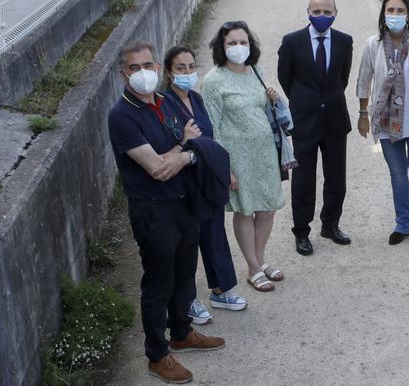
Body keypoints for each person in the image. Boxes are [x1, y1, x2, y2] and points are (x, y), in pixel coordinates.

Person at [108, 41, 224, 384]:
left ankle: (182, 333)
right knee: (158, 282)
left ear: (158, 67)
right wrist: (184, 150)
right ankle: (157, 355)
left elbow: (196, 146)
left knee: (185, 273)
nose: (143, 73)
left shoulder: (165, 103)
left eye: (148, 65)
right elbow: (157, 169)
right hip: (153, 210)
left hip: (184, 202)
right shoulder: (122, 116)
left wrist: (184, 153)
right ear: (123, 74)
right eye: (134, 67)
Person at [161, 46, 247, 326]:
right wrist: (185, 139)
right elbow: (167, 147)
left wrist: (225, 171)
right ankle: (187, 300)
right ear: (168, 72)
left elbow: (210, 137)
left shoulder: (196, 99)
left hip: (204, 178)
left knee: (214, 234)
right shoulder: (163, 103)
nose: (187, 73)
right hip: (180, 183)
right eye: (180, 68)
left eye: (190, 67)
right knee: (185, 244)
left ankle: (221, 289)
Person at [202, 22, 289, 293]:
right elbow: (212, 127)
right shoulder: (213, 81)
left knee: (267, 208)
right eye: (231, 43)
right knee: (244, 210)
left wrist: (273, 98)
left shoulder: (257, 72)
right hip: (236, 156)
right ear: (221, 47)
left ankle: (260, 260)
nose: (238, 48)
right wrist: (223, 169)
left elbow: (263, 110)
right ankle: (252, 268)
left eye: (243, 42)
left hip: (265, 152)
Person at [356, 0, 409, 249]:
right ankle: (403, 224)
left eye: (400, 10)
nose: (395, 15)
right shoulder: (373, 44)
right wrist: (362, 114)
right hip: (385, 119)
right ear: (383, 14)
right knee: (397, 174)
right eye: (390, 10)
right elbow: (363, 80)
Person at [278, 0, 354, 256]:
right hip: (304, 121)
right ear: (308, 11)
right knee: (303, 179)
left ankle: (330, 225)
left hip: (335, 119)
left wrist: (326, 99)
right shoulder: (292, 42)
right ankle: (301, 232)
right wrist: (305, 101)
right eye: (317, 11)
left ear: (336, 12)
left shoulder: (344, 41)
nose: (322, 16)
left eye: (327, 11)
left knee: (336, 178)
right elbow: (285, 79)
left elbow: (342, 78)